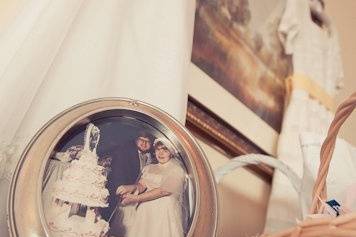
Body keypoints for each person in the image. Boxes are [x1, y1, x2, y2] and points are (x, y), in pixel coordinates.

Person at [117, 138, 186, 237]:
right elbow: (142, 185)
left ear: (171, 153)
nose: (161, 153)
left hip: (162, 213)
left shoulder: (176, 170)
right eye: (158, 149)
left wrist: (136, 198)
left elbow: (163, 191)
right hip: (145, 212)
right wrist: (130, 187)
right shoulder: (149, 168)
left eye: (165, 150)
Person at [105, 130, 155, 236]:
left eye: (148, 142)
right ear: (136, 140)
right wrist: (122, 192)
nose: (144, 143)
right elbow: (118, 172)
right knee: (114, 225)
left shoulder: (152, 157)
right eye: (141, 140)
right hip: (121, 193)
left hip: (139, 196)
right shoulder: (124, 151)